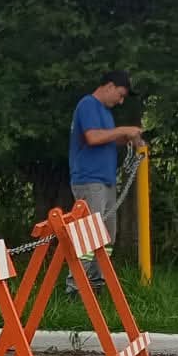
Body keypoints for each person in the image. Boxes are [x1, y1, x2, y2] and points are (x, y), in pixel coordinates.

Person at [67, 70, 145, 294]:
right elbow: (93, 137)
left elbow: (105, 139)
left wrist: (126, 138)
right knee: (89, 234)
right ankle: (76, 287)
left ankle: (97, 283)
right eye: (120, 95)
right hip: (89, 180)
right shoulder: (87, 105)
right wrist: (123, 130)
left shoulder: (105, 112)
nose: (120, 101)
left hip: (106, 180)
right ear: (109, 86)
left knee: (107, 235)